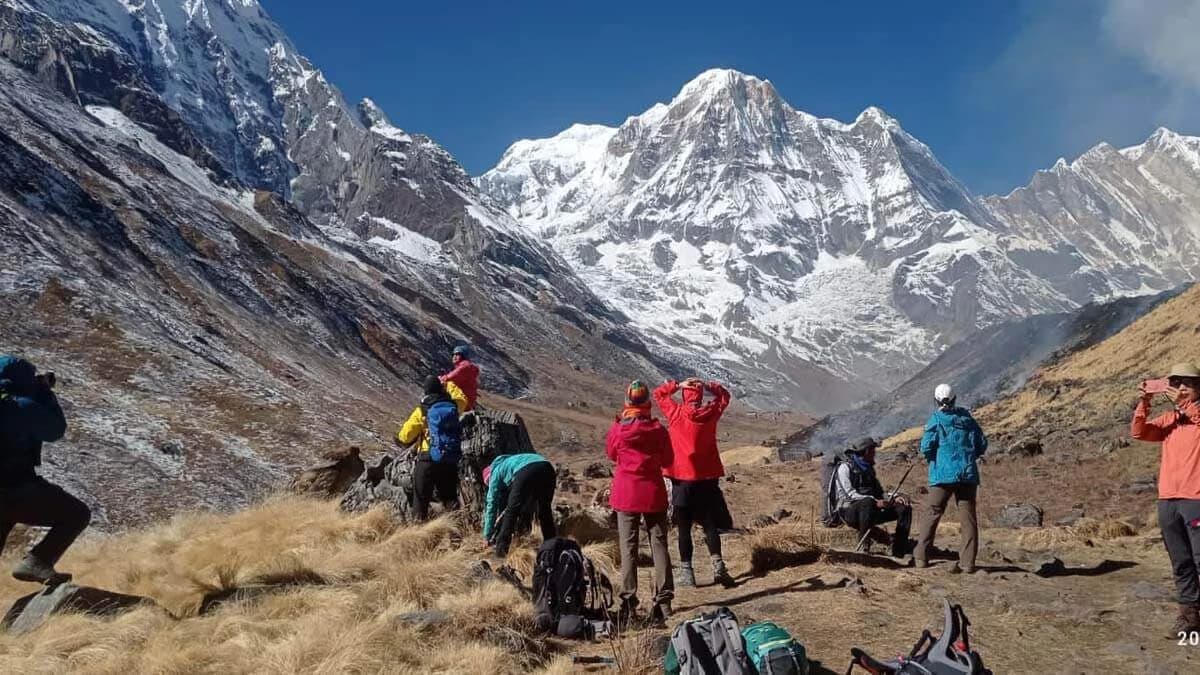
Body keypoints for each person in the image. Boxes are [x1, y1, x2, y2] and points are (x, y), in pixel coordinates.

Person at [0, 355, 91, 584]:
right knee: (77, 514)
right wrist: (46, 394)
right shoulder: (19, 406)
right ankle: (37, 562)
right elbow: (55, 430)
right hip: (14, 488)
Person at [1131, 362, 1200, 636]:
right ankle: (1189, 616)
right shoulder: (1171, 418)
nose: (1181, 388)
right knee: (1180, 560)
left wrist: (1184, 407)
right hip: (1168, 498)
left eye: (1187, 384)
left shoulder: (1194, 414)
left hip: (1195, 498)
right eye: (1176, 383)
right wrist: (1144, 402)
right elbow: (1139, 432)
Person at [653, 377, 735, 588]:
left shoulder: (676, 413)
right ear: (699, 396)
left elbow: (658, 394)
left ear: (685, 395)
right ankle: (718, 566)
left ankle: (687, 573)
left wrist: (678, 385)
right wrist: (710, 386)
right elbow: (725, 396)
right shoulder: (711, 413)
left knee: (684, 528)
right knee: (709, 524)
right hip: (706, 479)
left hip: (682, 479)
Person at [606, 381, 674, 625]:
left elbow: (611, 454)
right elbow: (668, 459)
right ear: (647, 402)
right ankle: (664, 600)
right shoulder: (658, 430)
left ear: (628, 401)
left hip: (626, 493)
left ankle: (628, 600)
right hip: (653, 492)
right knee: (659, 545)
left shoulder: (618, 429)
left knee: (628, 547)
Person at [914, 383, 987, 573]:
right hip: (967, 474)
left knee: (932, 513)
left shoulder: (936, 420)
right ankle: (968, 563)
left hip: (942, 474)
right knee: (968, 518)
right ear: (954, 398)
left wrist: (935, 460)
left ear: (936, 400)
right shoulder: (967, 419)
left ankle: (921, 557)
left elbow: (926, 447)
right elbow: (982, 444)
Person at [397, 376, 468, 521]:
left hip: (427, 459)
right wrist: (449, 384)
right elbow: (463, 399)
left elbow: (405, 436)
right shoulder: (453, 406)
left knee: (421, 500)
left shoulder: (423, 410)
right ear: (441, 388)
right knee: (450, 500)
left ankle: (419, 535)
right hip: (449, 459)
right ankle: (456, 539)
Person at [832, 437, 912, 557]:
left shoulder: (868, 469)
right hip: (848, 512)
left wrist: (893, 498)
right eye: (873, 450)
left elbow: (879, 491)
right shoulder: (845, 468)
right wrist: (875, 501)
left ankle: (899, 550)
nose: (875, 453)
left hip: (871, 510)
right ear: (867, 451)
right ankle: (864, 547)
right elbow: (848, 494)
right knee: (867, 502)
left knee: (904, 508)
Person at [481, 453, 557, 559]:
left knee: (512, 512)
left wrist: (487, 535)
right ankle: (553, 550)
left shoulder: (495, 472)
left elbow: (492, 504)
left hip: (527, 470)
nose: (491, 486)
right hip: (547, 468)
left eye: (489, 484)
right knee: (545, 512)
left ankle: (500, 554)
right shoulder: (510, 463)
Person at [439, 345, 480, 411]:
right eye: (454, 354)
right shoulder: (466, 366)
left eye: (458, 354)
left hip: (462, 401)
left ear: (463, 356)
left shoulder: (465, 366)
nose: (454, 356)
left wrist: (439, 379)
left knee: (448, 384)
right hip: (467, 401)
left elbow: (450, 377)